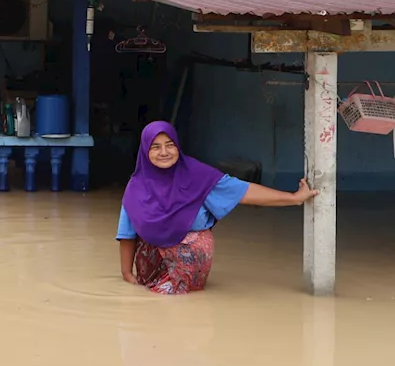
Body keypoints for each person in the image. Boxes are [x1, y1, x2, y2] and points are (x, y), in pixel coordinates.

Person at [118, 120, 318, 294]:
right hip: (154, 257)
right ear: (145, 152)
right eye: (155, 147)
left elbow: (244, 192)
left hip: (190, 251)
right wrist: (127, 273)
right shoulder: (136, 187)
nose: (164, 152)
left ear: (178, 146)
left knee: (167, 299)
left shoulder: (198, 176)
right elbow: (127, 234)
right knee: (147, 295)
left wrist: (294, 198)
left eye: (170, 145)